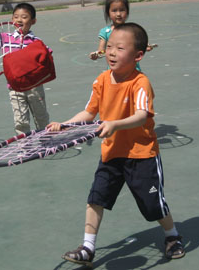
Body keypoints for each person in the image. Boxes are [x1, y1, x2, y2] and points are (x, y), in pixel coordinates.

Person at [47, 23, 185, 267]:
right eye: (109, 46)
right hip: (111, 154)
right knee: (96, 198)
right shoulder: (101, 80)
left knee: (152, 205)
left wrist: (114, 124)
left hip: (142, 155)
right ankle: (88, 247)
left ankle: (172, 235)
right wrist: (65, 124)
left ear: (138, 56)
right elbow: (89, 113)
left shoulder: (140, 83)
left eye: (119, 48)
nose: (111, 52)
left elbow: (142, 115)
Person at [0, 3, 50, 135]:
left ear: (33, 21)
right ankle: (24, 146)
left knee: (41, 117)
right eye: (16, 17)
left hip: (34, 86)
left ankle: (46, 140)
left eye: (24, 17)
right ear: (12, 20)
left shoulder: (36, 42)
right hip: (15, 87)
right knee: (20, 121)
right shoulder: (5, 38)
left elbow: (47, 58)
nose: (19, 20)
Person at [89, 0, 156, 70]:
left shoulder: (132, 30)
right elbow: (102, 51)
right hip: (114, 72)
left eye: (122, 10)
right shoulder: (105, 32)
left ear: (127, 12)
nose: (118, 14)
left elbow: (139, 47)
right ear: (108, 13)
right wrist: (96, 54)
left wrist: (145, 47)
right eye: (114, 10)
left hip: (132, 71)